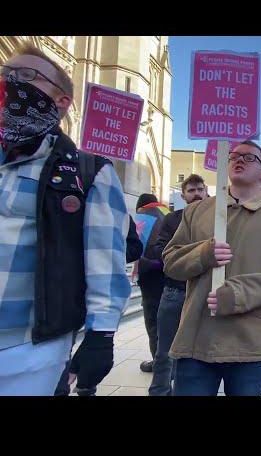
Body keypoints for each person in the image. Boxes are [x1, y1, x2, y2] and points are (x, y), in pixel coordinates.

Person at [0, 43, 130, 395]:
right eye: (5, 74)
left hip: (26, 349)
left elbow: (107, 259)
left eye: (25, 76)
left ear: (61, 102)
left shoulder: (87, 172)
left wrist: (101, 334)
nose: (10, 82)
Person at [163, 140, 261, 396]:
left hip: (249, 342)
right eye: (234, 155)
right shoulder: (196, 212)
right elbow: (171, 262)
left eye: (250, 158)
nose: (239, 159)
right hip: (196, 339)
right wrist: (203, 254)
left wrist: (238, 294)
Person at [55, 215, 142, 396]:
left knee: (89, 358)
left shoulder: (109, 205)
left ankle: (85, 387)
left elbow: (135, 248)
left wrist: (100, 254)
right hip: (57, 293)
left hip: (92, 292)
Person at [148, 174, 207, 396]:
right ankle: (159, 392)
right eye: (191, 191)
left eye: (200, 189)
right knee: (165, 353)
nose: (197, 194)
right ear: (183, 195)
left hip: (203, 293)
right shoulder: (172, 219)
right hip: (175, 292)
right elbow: (158, 251)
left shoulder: (218, 219)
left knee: (197, 354)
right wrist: (196, 254)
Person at [135, 193, 171, 373]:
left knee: (153, 320)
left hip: (150, 276)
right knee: (169, 320)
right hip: (172, 275)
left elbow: (134, 248)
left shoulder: (141, 216)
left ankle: (159, 363)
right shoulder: (168, 213)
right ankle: (171, 362)